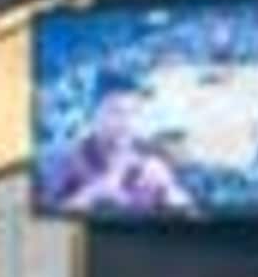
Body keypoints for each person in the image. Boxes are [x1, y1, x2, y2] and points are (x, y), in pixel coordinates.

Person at [41, 85, 191, 216]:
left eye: (133, 113)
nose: (126, 122)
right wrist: (93, 193)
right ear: (93, 114)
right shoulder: (66, 159)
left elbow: (187, 215)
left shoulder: (152, 158)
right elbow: (44, 225)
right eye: (116, 112)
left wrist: (168, 190)